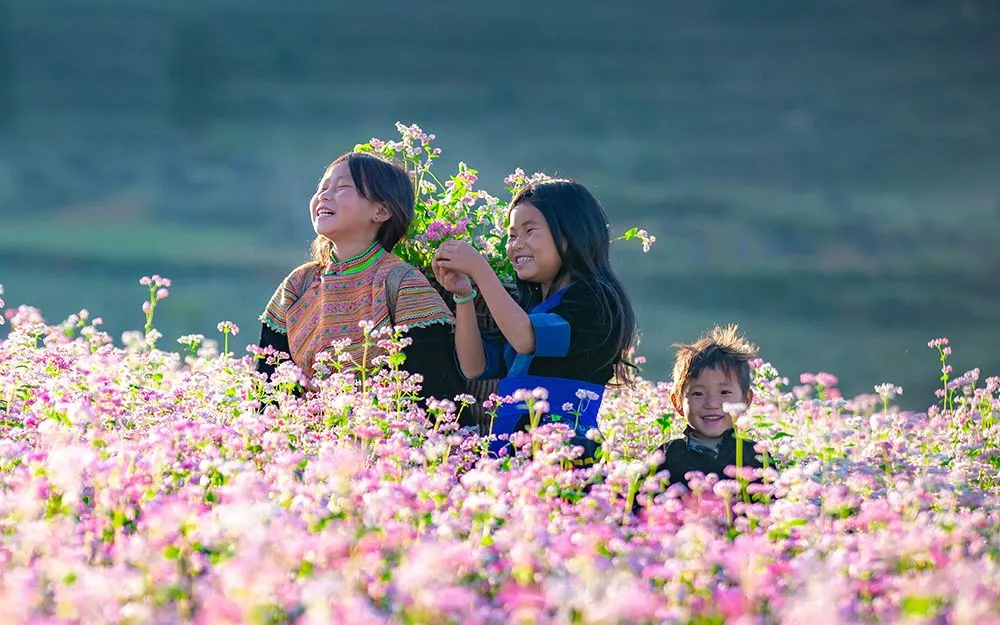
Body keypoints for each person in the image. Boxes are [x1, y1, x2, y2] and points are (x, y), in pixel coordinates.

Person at [431, 179, 637, 461]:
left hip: (564, 451)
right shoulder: (529, 309)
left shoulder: (595, 299)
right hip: (509, 447)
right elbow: (474, 366)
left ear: (570, 234)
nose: (516, 245)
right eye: (512, 235)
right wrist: (465, 295)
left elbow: (527, 338)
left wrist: (480, 269)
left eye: (529, 231)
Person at [256, 151, 465, 413]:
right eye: (322, 187)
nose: (324, 195)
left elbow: (433, 395)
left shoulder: (404, 284)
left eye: (342, 187)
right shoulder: (298, 284)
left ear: (381, 211)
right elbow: (267, 390)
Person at [656, 324, 764, 488]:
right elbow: (639, 508)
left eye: (725, 392)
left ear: (746, 400)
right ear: (678, 403)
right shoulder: (667, 456)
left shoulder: (755, 456)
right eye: (698, 393)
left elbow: (773, 508)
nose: (712, 404)